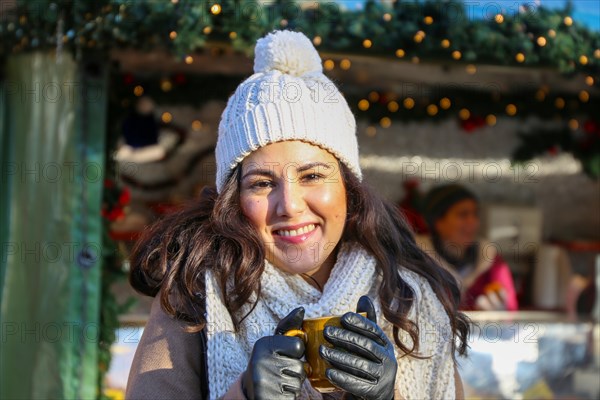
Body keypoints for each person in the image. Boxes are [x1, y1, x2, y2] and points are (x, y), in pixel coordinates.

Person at [125, 31, 469, 400]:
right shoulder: (195, 292)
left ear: (348, 188)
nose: (289, 204)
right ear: (233, 198)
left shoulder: (409, 299)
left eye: (312, 176)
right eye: (261, 183)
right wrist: (243, 394)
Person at [417, 184, 519, 311]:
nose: (473, 222)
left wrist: (500, 309)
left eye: (475, 214)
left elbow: (510, 309)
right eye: (463, 214)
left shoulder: (489, 258)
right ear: (438, 222)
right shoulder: (418, 259)